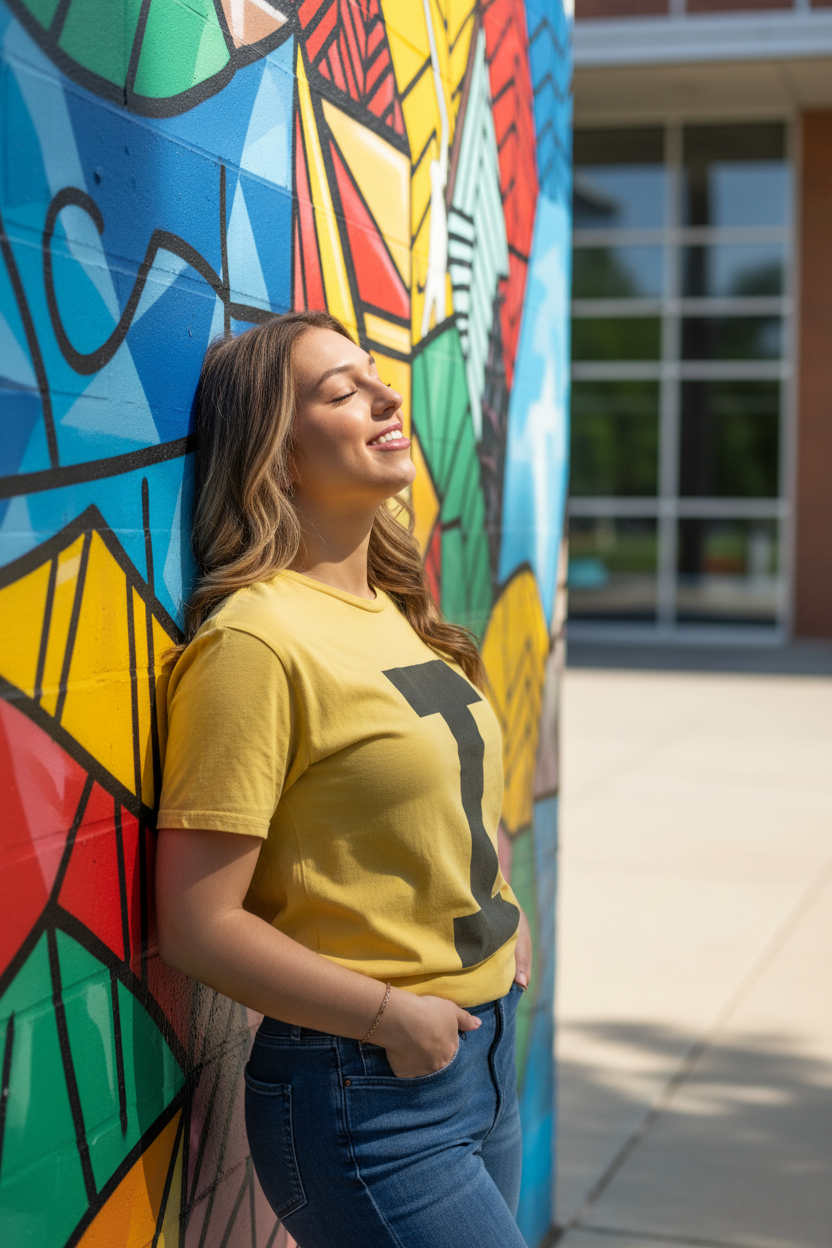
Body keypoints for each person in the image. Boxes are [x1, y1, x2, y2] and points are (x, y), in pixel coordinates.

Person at [155, 310, 533, 1248]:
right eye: (341, 390)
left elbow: (448, 804)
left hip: (485, 1064)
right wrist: (396, 1018)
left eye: (376, 376)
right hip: (369, 1091)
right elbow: (199, 927)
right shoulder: (255, 641)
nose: (386, 395)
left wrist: (508, 912)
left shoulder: (402, 615)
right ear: (277, 457)